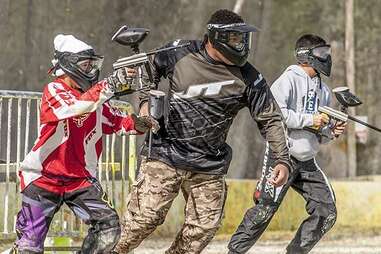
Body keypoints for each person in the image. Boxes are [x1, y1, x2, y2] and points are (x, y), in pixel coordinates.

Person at [114, 9, 291, 254]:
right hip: (165, 153)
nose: (241, 45)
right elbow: (147, 73)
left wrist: (282, 160)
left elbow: (270, 119)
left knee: (203, 228)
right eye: (235, 39)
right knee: (142, 220)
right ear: (214, 38)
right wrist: (145, 105)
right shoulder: (179, 52)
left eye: (243, 39)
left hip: (209, 164)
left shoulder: (250, 77)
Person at [13, 34, 154, 254]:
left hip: (80, 181)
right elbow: (74, 107)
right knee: (29, 247)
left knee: (109, 227)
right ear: (68, 64)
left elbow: (119, 122)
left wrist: (143, 122)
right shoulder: (54, 90)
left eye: (93, 64)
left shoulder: (95, 100)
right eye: (85, 65)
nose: (91, 70)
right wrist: (109, 85)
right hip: (43, 178)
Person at [228, 34, 346, 254]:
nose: (326, 58)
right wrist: (311, 119)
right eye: (322, 53)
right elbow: (276, 115)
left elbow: (319, 130)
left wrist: (331, 131)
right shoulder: (289, 79)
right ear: (305, 55)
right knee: (264, 210)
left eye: (327, 53)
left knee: (327, 211)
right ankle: (234, 252)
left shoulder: (324, 90)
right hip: (281, 156)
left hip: (307, 161)